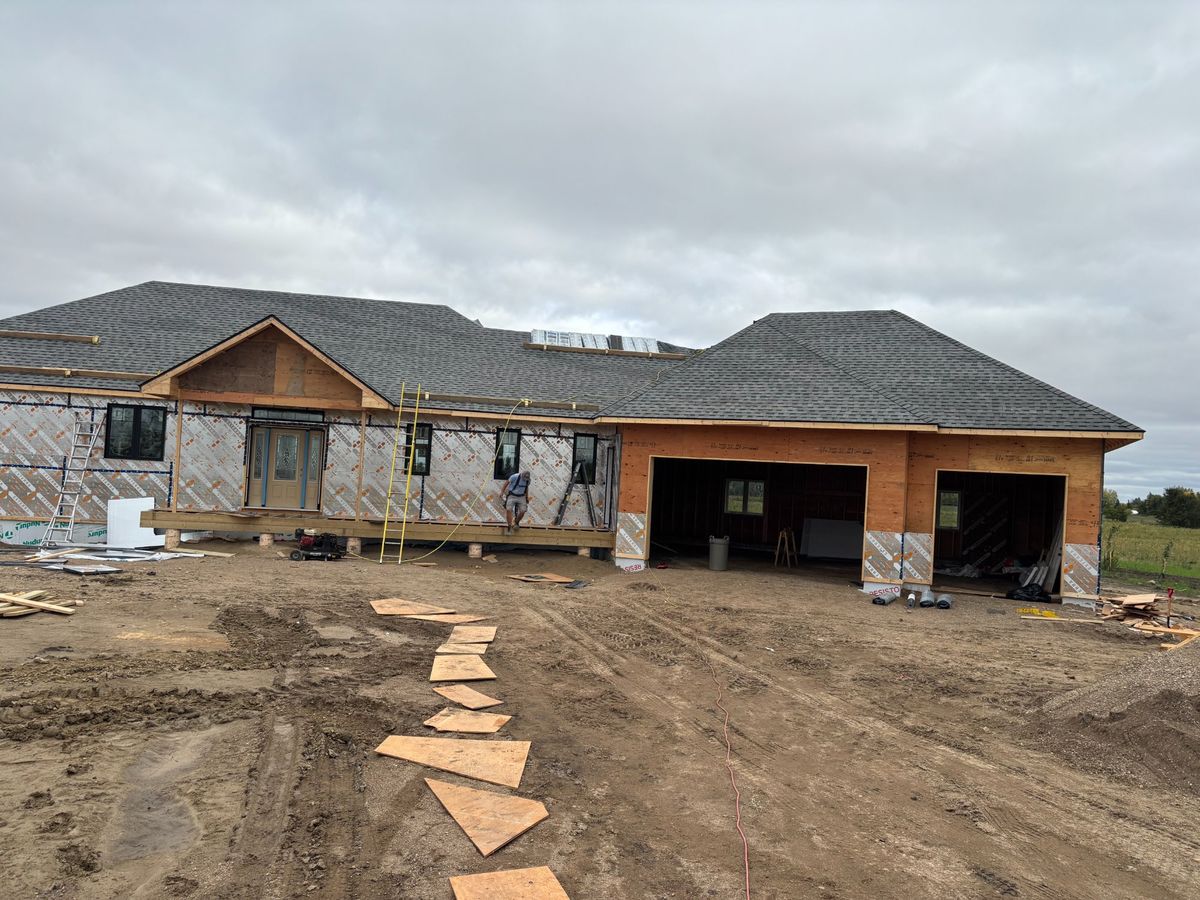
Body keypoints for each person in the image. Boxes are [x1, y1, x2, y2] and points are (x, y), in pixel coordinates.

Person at [501, 469, 532, 534]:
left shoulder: (528, 480)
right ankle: (509, 525)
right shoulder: (514, 476)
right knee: (509, 509)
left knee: (523, 510)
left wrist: (526, 497)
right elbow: (506, 483)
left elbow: (526, 488)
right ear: (521, 475)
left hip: (521, 496)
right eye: (524, 478)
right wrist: (502, 492)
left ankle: (516, 522)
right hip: (512, 495)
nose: (525, 479)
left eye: (526, 478)